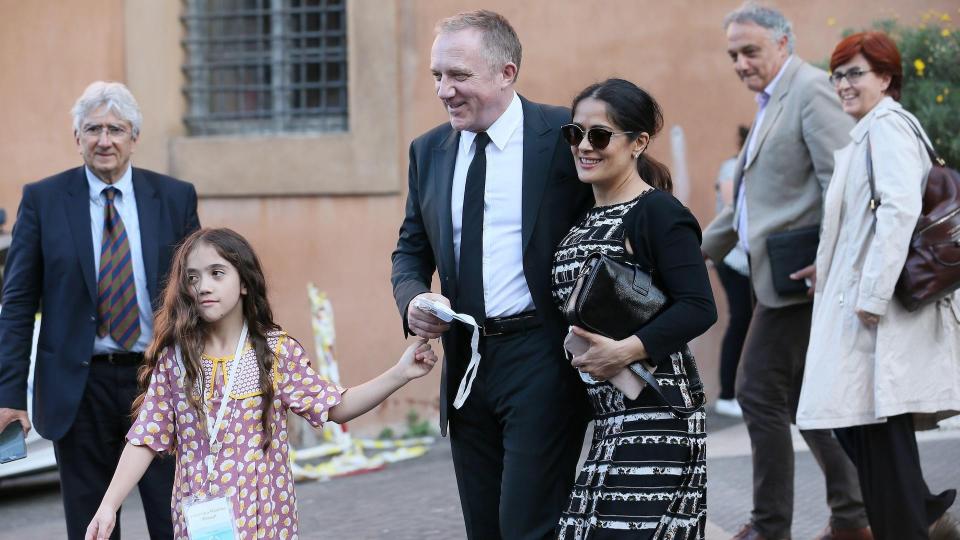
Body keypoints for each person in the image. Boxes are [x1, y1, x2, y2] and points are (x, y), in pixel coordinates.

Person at [84, 228, 438, 540]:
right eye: (193, 278)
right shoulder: (176, 359)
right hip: (199, 522)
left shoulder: (275, 352)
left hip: (266, 519)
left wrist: (399, 373)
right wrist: (108, 506)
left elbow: (335, 406)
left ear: (243, 283)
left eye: (216, 273)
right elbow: (145, 437)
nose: (203, 286)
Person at [390, 9, 593, 539]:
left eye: (458, 75)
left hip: (542, 356)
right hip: (466, 363)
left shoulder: (562, 137)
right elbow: (410, 251)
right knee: (484, 527)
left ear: (507, 73)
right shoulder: (428, 150)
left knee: (528, 525)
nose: (444, 90)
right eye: (437, 75)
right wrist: (412, 299)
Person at [700, 4, 871, 540]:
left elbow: (843, 185)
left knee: (754, 391)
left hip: (803, 280)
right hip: (777, 280)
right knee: (802, 402)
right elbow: (744, 210)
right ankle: (854, 515)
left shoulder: (810, 89)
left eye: (750, 50)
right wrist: (688, 252)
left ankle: (771, 527)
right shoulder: (773, 100)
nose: (741, 63)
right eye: (733, 55)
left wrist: (828, 258)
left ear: (783, 43)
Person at [0, 81, 199, 539]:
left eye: (115, 129)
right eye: (92, 129)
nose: (104, 140)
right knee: (93, 527)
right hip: (78, 387)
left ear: (134, 137)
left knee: (174, 519)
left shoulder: (174, 197)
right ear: (77, 137)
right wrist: (10, 394)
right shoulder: (43, 200)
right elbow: (16, 305)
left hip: (158, 381)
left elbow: (197, 294)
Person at [796, 31, 960, 540]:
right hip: (865, 309)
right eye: (838, 74)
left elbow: (899, 210)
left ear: (886, 79)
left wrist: (871, 295)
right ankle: (925, 512)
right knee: (863, 429)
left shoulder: (886, 128)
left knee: (868, 430)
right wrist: (828, 270)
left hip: (877, 316)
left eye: (855, 73)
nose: (843, 84)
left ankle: (917, 518)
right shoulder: (868, 132)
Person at [551, 78, 717, 539]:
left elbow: (700, 307)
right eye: (575, 134)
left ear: (638, 142)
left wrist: (625, 351)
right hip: (608, 416)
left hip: (659, 415)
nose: (584, 146)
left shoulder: (658, 212)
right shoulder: (581, 219)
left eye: (600, 135)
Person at [713, 125, 752, 418]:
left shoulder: (755, 166)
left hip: (751, 262)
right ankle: (727, 394)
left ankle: (743, 391)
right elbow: (732, 207)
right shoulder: (732, 166)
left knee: (752, 322)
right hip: (732, 259)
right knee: (740, 320)